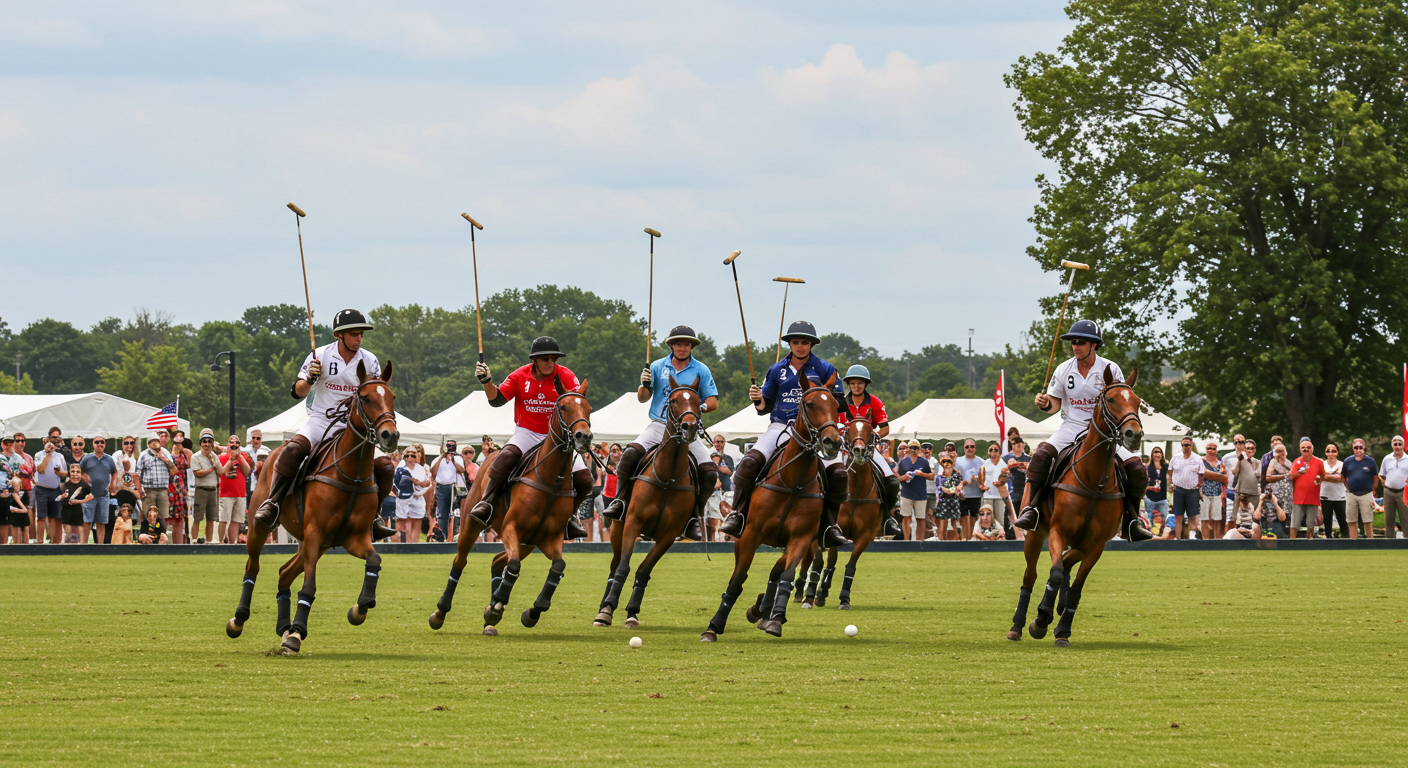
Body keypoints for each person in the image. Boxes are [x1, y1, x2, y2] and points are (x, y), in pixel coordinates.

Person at [253, 309, 397, 542]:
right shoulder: (320, 355)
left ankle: (374, 516)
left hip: (355, 428)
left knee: (385, 466)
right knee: (292, 450)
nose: (359, 338)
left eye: (361, 333)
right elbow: (296, 392)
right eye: (353, 334)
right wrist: (310, 377)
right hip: (321, 420)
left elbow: (375, 393)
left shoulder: (369, 359)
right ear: (339, 335)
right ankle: (273, 504)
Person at [1012, 320, 1152, 541]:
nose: (1075, 346)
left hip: (1105, 432)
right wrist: (1045, 403)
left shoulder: (1110, 368)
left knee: (1136, 469)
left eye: (1081, 342)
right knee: (1040, 457)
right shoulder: (1063, 369)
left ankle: (1132, 521)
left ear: (1094, 345)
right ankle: (1032, 510)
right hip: (1071, 427)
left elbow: (1120, 400)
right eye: (1073, 342)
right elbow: (1055, 405)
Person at [719, 320, 847, 548]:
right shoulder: (777, 369)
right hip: (780, 425)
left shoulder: (826, 369)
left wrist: (821, 399)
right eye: (795, 342)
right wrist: (757, 399)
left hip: (816, 430)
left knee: (838, 474)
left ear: (811, 345)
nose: (800, 346)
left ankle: (829, 525)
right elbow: (765, 406)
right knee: (749, 462)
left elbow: (839, 403)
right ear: (789, 343)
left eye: (804, 342)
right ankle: (737, 514)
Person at [602, 326, 720, 542]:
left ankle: (694, 516)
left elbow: (713, 401)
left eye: (686, 344)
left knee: (710, 472)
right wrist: (645, 384)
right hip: (659, 425)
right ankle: (620, 502)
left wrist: (697, 409)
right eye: (677, 343)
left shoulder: (701, 369)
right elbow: (642, 398)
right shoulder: (657, 366)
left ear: (692, 346)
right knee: (629, 454)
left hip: (688, 429)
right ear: (671, 346)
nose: (682, 347)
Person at [467, 336, 591, 540]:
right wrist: (487, 382)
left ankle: (570, 517)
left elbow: (577, 401)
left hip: (558, 438)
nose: (550, 362)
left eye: (553, 358)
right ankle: (487, 503)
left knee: (585, 480)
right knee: (506, 456)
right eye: (545, 359)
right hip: (528, 432)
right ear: (534, 360)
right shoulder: (519, 376)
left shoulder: (566, 375)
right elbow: (496, 400)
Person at [834, 364, 902, 538]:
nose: (856, 387)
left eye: (859, 383)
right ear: (849, 384)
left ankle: (887, 518)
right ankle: (826, 519)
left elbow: (885, 428)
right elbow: (833, 425)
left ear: (865, 384)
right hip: (845, 449)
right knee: (827, 476)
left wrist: (877, 436)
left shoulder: (875, 402)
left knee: (892, 480)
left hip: (868, 450)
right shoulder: (840, 403)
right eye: (853, 384)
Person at [77, 436, 118, 545]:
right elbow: (78, 471)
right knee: (86, 522)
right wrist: (84, 476)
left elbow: (114, 472)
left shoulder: (109, 459)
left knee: (101, 522)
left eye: (102, 442)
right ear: (93, 444)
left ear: (104, 444)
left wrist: (113, 483)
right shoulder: (86, 458)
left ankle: (100, 547)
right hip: (88, 495)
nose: (99, 444)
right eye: (97, 442)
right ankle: (84, 546)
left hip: (103, 495)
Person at [429, 440, 467, 543]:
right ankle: (443, 535)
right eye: (448, 447)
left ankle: (452, 536)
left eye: (452, 447)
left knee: (452, 512)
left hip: (452, 486)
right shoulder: (437, 459)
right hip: (441, 486)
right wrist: (442, 457)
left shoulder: (458, 458)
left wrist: (453, 460)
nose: (450, 449)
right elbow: (433, 472)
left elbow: (461, 470)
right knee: (442, 513)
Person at [32, 436, 68, 544]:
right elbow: (41, 470)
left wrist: (60, 473)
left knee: (54, 517)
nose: (49, 444)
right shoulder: (39, 455)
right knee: (41, 517)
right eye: (47, 442)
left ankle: (52, 543)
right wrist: (48, 454)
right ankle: (40, 542)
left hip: (55, 489)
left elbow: (65, 473)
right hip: (41, 489)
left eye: (51, 442)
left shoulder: (60, 456)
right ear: (43, 443)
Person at [218, 435, 252, 545]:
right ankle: (221, 541)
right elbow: (222, 471)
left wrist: (239, 456)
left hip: (240, 493)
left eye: (237, 443)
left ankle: (233, 543)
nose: (234, 445)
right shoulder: (222, 457)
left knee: (236, 520)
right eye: (231, 443)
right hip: (226, 493)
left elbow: (247, 471)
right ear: (228, 445)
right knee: (224, 519)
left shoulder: (243, 457)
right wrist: (231, 458)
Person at [1288, 437, 1324, 539]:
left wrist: (1319, 480)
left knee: (1311, 524)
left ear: (1312, 449)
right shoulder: (1297, 461)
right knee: (1295, 523)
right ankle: (1292, 543)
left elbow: (1322, 476)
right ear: (1300, 449)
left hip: (1313, 498)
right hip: (1299, 498)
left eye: (1308, 447)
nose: (1305, 449)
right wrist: (1298, 473)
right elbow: (1290, 477)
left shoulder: (1318, 462)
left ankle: (1310, 544)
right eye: (1303, 447)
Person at [394, 445, 431, 543]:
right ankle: (402, 543)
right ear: (404, 456)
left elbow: (427, 482)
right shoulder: (400, 467)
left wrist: (418, 483)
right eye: (407, 455)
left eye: (413, 455)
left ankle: (414, 544)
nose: (410, 457)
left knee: (417, 520)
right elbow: (395, 483)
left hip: (418, 497)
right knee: (402, 519)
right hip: (404, 497)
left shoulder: (421, 468)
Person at [190, 429, 222, 544]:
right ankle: (193, 541)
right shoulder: (195, 456)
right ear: (200, 443)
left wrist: (216, 460)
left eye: (209, 441)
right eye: (204, 441)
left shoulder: (214, 456)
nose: (207, 444)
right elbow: (197, 473)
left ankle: (209, 542)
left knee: (211, 519)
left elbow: (221, 471)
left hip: (213, 490)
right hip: (201, 490)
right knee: (197, 518)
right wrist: (211, 468)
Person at [896, 440, 932, 541]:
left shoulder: (924, 462)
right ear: (908, 448)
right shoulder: (903, 462)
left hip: (920, 494)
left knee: (920, 518)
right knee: (906, 517)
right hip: (906, 493)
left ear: (919, 449)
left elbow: (932, 476)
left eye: (915, 448)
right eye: (911, 447)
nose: (913, 450)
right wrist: (904, 477)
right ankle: (907, 541)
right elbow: (898, 478)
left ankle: (919, 542)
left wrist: (922, 474)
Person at [1167, 437, 1203, 539]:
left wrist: (1200, 489)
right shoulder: (1175, 458)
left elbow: (1201, 476)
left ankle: (1192, 538)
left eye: (1187, 445)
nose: (1185, 447)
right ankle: (1178, 540)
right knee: (1178, 516)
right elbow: (1169, 472)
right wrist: (1170, 484)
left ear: (1191, 446)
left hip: (1192, 490)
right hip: (1179, 490)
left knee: (1193, 516)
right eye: (1183, 445)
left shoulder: (1197, 458)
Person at [1342, 439, 1377, 539]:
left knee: (1367, 520)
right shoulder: (1348, 461)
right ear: (1353, 449)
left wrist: (1373, 490)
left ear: (1364, 447)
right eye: (1356, 448)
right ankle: (1353, 542)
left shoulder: (1370, 461)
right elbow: (1343, 476)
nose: (1358, 450)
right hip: (1351, 494)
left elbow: (1375, 477)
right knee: (1351, 520)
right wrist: (1347, 487)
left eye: (1360, 447)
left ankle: (1369, 542)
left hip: (1366, 493)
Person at [953, 439, 984, 540]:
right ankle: (966, 539)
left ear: (975, 448)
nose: (969, 449)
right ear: (964, 448)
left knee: (974, 517)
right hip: (963, 494)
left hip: (976, 494)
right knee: (964, 517)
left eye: (972, 447)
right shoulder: (958, 461)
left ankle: (973, 538)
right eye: (967, 447)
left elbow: (984, 479)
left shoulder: (981, 462)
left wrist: (978, 479)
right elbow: (956, 477)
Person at [1378, 437, 1408, 539]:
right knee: (1389, 518)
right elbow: (1381, 475)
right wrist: (1385, 485)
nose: (1397, 446)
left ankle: (1406, 540)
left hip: (1403, 492)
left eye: (1400, 444)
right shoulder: (1387, 459)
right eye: (1395, 444)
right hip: (1389, 492)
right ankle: (1389, 541)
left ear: (1403, 445)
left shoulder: (1407, 459)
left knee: (1405, 517)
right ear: (1392, 445)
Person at [1199, 441, 1228, 540]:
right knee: (1204, 518)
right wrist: (1218, 477)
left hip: (1217, 493)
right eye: (1208, 448)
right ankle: (1205, 540)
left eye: (1213, 449)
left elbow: (1226, 479)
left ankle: (1217, 540)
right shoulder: (1201, 461)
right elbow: (1202, 473)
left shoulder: (1220, 464)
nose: (1211, 451)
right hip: (1203, 493)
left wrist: (1209, 475)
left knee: (1217, 519)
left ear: (1216, 450)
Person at [166, 429, 192, 543]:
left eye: (181, 436)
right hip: (171, 486)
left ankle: (180, 542)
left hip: (182, 486)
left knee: (180, 517)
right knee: (169, 515)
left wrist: (183, 451)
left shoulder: (186, 453)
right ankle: (168, 541)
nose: (179, 438)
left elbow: (190, 465)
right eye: (177, 436)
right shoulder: (169, 454)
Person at [1002, 439, 1030, 540]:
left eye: (1020, 445)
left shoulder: (1028, 458)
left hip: (1025, 493)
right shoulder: (1006, 458)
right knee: (1010, 516)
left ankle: (1024, 537)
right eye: (1016, 445)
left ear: (1023, 446)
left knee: (1024, 516)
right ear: (1012, 446)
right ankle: (1010, 537)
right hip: (1011, 492)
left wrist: (1021, 464)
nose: (1018, 447)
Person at [979, 443, 1009, 530]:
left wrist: (1000, 483)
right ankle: (988, 538)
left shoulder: (1003, 464)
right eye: (991, 450)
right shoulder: (985, 463)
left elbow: (1006, 479)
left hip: (1000, 496)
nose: (993, 452)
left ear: (999, 452)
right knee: (986, 520)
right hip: (988, 495)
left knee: (999, 520)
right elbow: (981, 479)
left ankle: (1000, 539)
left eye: (996, 450)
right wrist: (981, 486)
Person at [60, 463, 93, 544]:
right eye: (73, 471)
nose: (75, 474)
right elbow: (59, 497)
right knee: (68, 534)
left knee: (79, 532)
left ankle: (80, 550)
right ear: (69, 473)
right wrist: (62, 497)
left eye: (77, 472)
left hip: (78, 511)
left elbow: (91, 496)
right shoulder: (64, 485)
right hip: (67, 511)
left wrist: (79, 501)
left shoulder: (84, 485)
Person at [1319, 443, 1346, 538]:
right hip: (1325, 496)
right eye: (1328, 451)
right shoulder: (1321, 464)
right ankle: (1328, 542)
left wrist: (1326, 476)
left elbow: (1342, 479)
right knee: (1327, 521)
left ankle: (1346, 542)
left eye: (1333, 451)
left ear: (1337, 452)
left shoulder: (1342, 464)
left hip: (1340, 497)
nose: (1330, 453)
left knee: (1343, 521)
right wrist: (1334, 476)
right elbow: (1319, 477)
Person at [935, 454, 962, 540]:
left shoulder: (957, 475)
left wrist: (956, 490)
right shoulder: (939, 477)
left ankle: (958, 544)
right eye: (944, 462)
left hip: (954, 502)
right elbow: (940, 489)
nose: (946, 464)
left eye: (948, 462)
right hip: (943, 502)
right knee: (942, 526)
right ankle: (941, 545)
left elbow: (958, 487)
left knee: (955, 526)